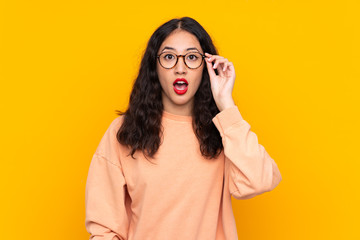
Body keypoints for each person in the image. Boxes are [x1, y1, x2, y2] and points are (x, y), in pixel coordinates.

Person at [85, 16, 282, 240]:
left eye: (191, 57)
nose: (180, 68)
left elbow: (260, 180)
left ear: (206, 67)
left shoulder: (224, 131)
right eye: (169, 57)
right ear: (154, 67)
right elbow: (104, 228)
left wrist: (226, 105)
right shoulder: (124, 132)